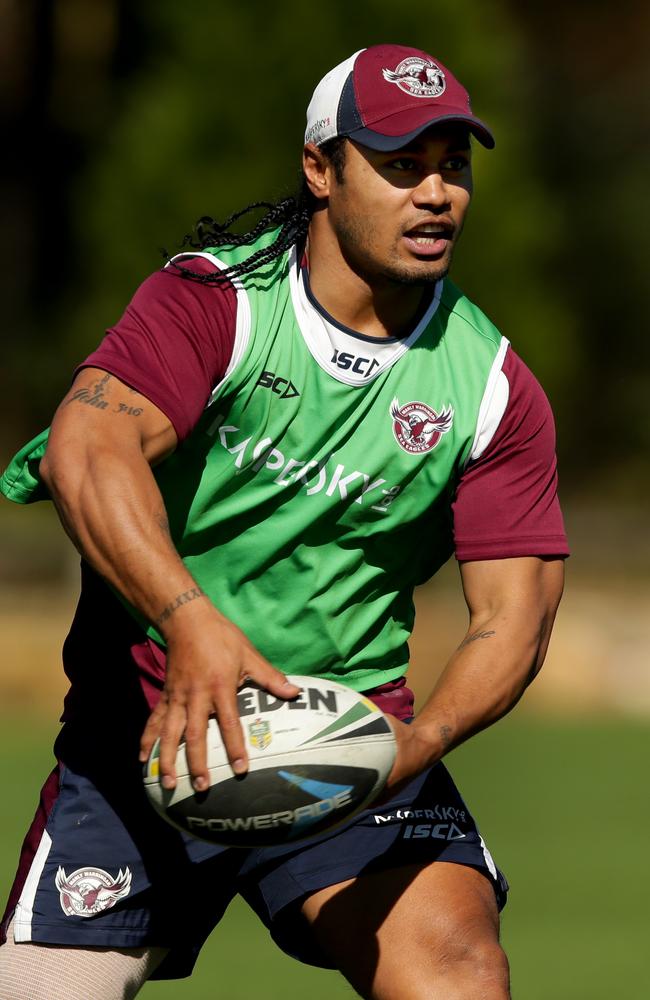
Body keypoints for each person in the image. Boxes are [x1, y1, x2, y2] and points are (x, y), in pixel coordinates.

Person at [0, 44, 568, 1000]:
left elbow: (515, 617)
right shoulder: (214, 306)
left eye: (453, 166)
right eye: (400, 166)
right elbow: (85, 452)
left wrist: (410, 750)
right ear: (320, 168)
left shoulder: (491, 387)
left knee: (459, 973)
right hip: (144, 744)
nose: (436, 194)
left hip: (345, 747)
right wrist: (190, 622)